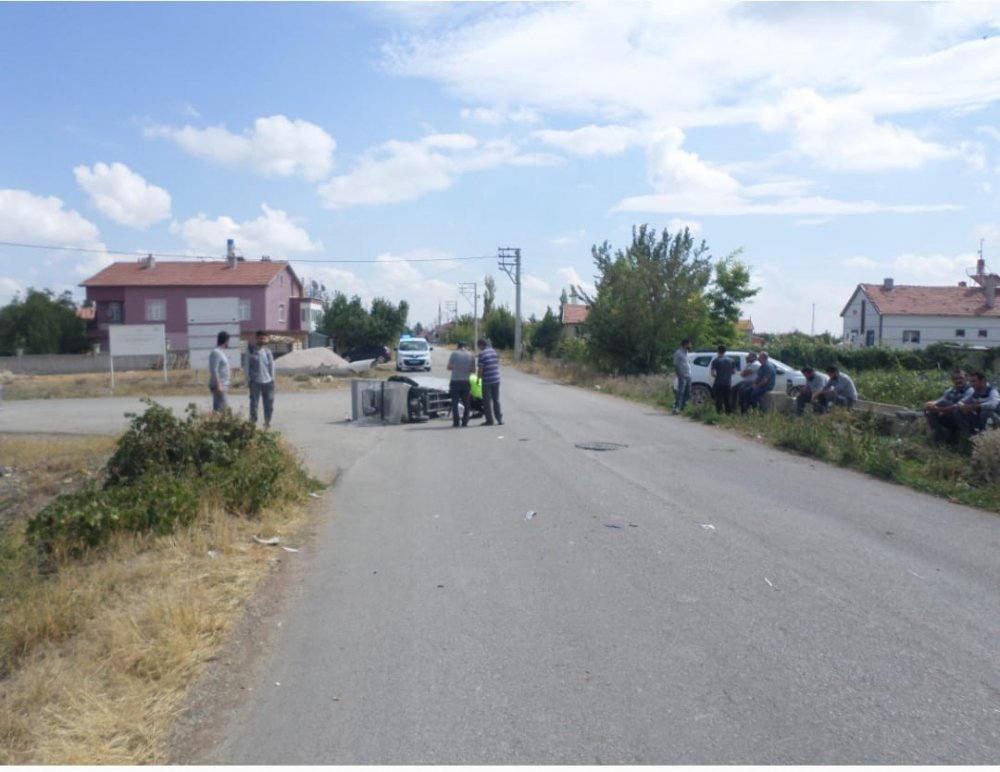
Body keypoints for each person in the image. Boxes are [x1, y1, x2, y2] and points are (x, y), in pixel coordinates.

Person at [924, 370, 972, 443]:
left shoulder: (971, 390)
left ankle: (963, 439)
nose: (958, 380)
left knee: (952, 407)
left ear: (966, 379)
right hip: (952, 416)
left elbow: (958, 406)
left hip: (966, 419)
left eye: (960, 378)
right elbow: (939, 401)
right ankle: (939, 439)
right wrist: (930, 404)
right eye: (955, 379)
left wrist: (938, 409)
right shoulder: (950, 390)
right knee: (929, 410)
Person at [246, 330, 275, 428]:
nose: (262, 340)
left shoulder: (268, 352)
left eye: (264, 338)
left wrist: (272, 379)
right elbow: (247, 366)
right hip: (255, 382)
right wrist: (248, 380)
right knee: (254, 404)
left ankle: (267, 422)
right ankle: (252, 423)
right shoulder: (250, 350)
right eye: (260, 338)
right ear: (256, 338)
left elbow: (272, 366)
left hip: (268, 382)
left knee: (269, 404)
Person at [956, 371, 999, 436]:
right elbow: (961, 401)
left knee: (985, 412)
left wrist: (977, 406)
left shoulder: (992, 391)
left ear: (982, 381)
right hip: (979, 418)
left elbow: (993, 404)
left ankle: (987, 436)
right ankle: (970, 434)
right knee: (958, 411)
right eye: (970, 382)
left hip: (994, 418)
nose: (971, 384)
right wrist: (962, 406)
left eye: (974, 381)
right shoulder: (975, 392)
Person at [447, 341, 476, 428]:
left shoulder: (454, 354)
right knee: (467, 403)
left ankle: (456, 423)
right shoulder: (470, 355)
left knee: (455, 403)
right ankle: (465, 422)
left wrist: (456, 367)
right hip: (466, 382)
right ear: (465, 347)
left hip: (455, 381)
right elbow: (473, 370)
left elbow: (448, 367)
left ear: (458, 347)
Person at [476, 337, 503, 426]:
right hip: (496, 379)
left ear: (480, 345)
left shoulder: (482, 354)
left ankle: (489, 420)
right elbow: (496, 362)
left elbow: (480, 369)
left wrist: (478, 381)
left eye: (478, 346)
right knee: (496, 400)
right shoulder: (493, 351)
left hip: (487, 380)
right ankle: (499, 419)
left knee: (486, 401)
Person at [208, 330, 231, 412]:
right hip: (219, 385)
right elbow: (214, 369)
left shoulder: (221, 352)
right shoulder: (216, 352)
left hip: (224, 384)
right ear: (225, 341)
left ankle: (217, 423)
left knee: (220, 408)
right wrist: (219, 385)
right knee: (222, 408)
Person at [709, 344, 734, 414]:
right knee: (727, 399)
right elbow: (733, 371)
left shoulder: (715, 361)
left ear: (718, 351)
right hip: (728, 383)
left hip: (718, 383)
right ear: (725, 351)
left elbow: (713, 373)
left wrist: (718, 375)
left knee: (718, 399)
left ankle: (719, 413)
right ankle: (728, 413)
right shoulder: (731, 360)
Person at [672, 338, 692, 414]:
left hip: (688, 375)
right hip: (682, 375)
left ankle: (683, 408)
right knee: (680, 392)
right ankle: (676, 407)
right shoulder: (678, 353)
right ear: (685, 344)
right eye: (689, 344)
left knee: (688, 392)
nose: (690, 346)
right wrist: (678, 374)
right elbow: (676, 365)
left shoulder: (687, 353)